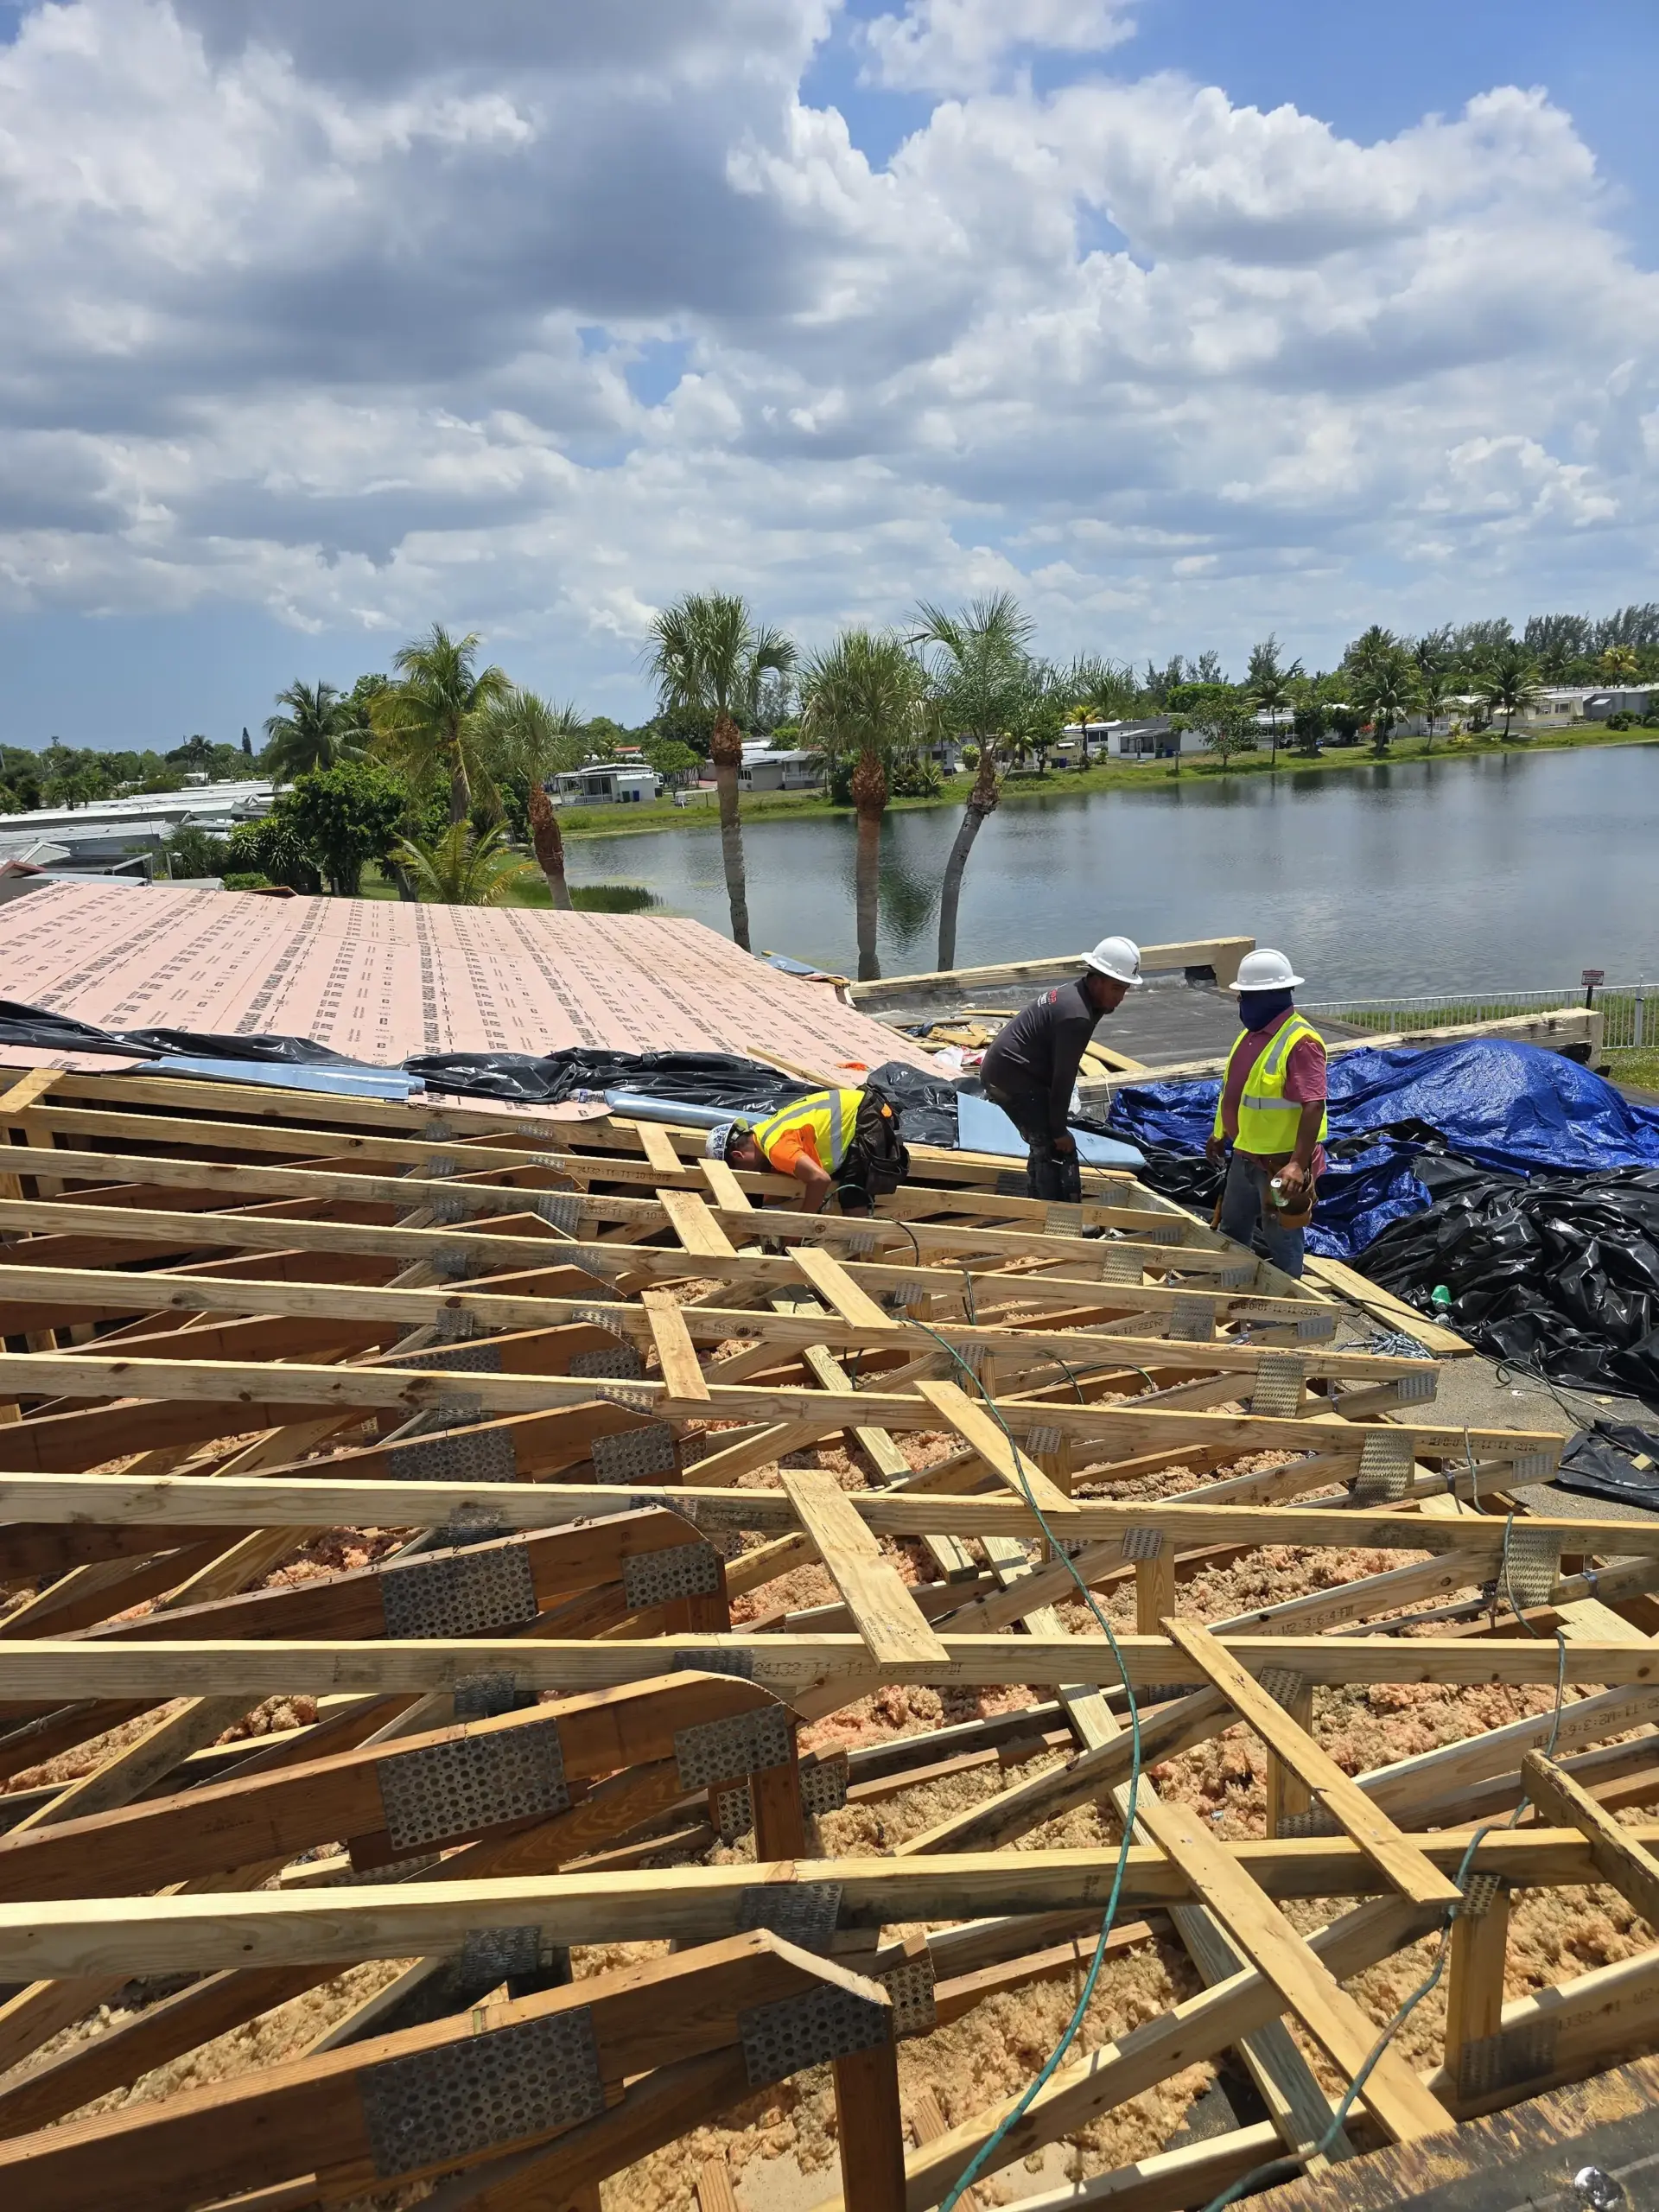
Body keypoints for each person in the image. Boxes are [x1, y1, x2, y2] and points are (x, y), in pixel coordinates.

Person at [977, 936, 1143, 1202]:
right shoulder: (1077, 1014)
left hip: (1012, 1071)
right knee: (1051, 1147)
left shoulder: (1082, 995)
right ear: (1097, 978)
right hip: (1010, 1077)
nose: (1120, 997)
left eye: (1124, 989)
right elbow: (1064, 1078)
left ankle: (1038, 1198)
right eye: (1116, 988)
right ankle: (1047, 1215)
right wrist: (1058, 1131)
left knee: (1046, 1140)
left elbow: (1061, 1073)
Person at [1205, 947, 1327, 1278]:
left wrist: (1297, 1165)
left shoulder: (1300, 1042)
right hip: (1245, 1155)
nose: (1240, 1003)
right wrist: (1221, 1134)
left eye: (1245, 996)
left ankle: (1288, 1307)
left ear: (1270, 996)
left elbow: (1313, 1104)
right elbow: (1237, 1093)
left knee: (1282, 1237)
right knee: (1232, 1229)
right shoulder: (1251, 1036)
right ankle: (1233, 1290)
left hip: (1279, 1164)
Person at [706, 1084, 909, 1213]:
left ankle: (860, 1251)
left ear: (738, 1155)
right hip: (860, 1109)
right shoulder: (764, 1134)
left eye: (739, 1169)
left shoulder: (777, 1147)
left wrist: (802, 1224)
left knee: (852, 1195)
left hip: (866, 1117)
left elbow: (820, 1180)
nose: (747, 1173)